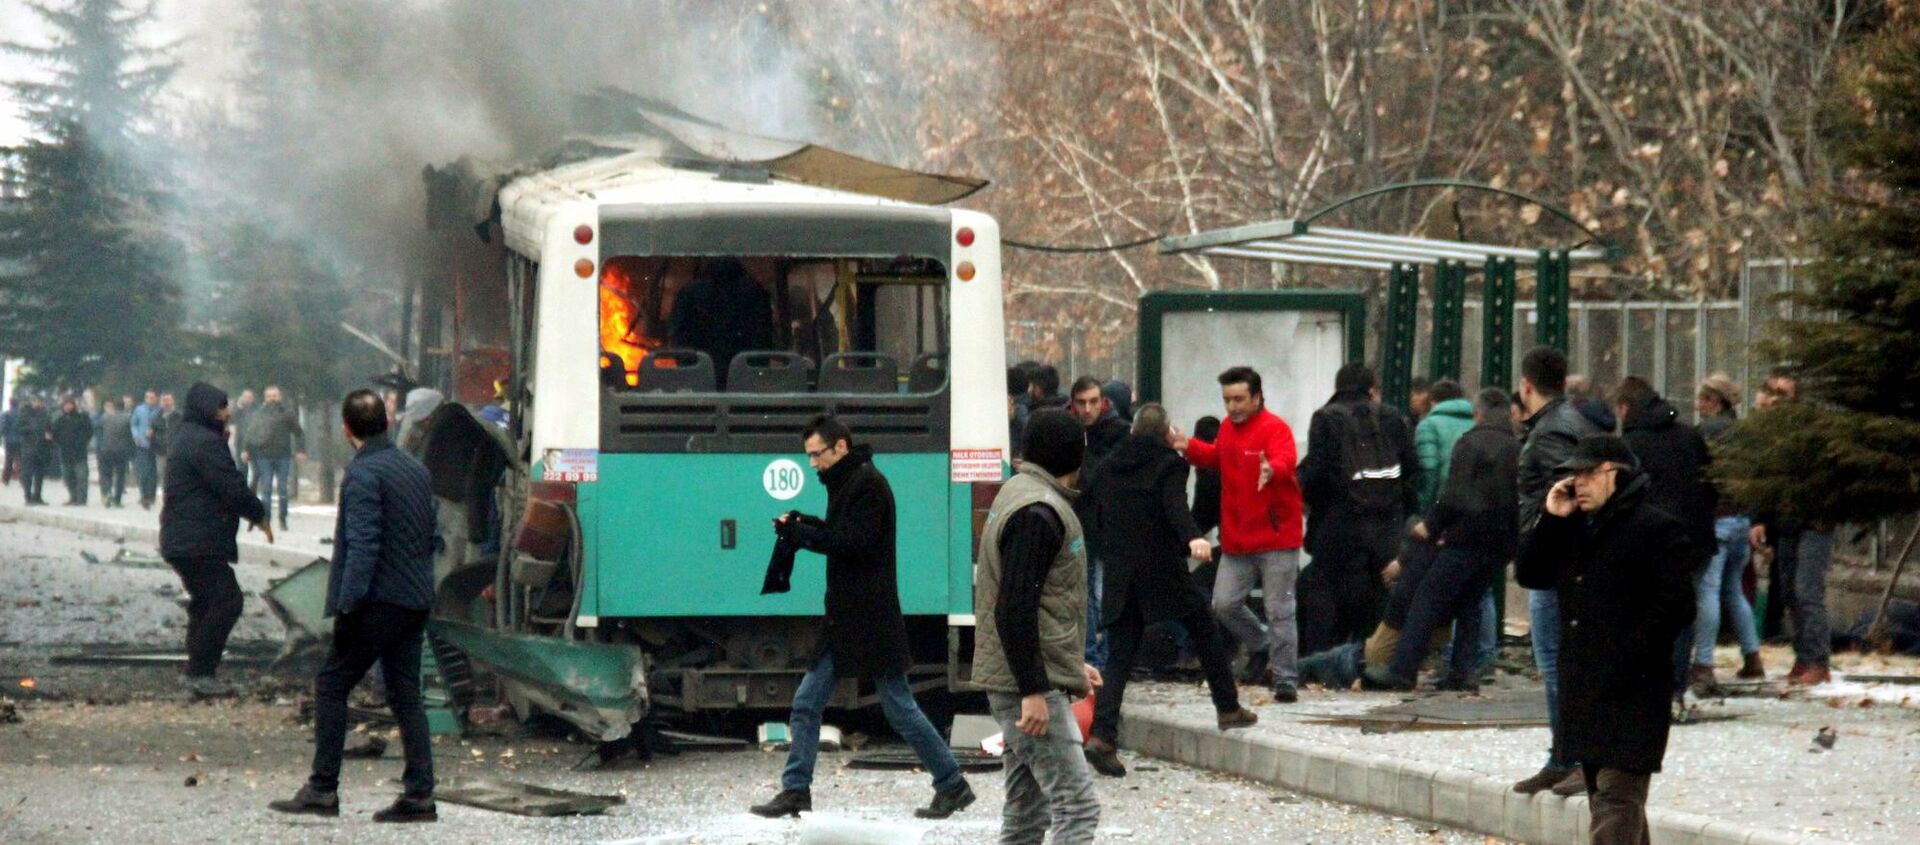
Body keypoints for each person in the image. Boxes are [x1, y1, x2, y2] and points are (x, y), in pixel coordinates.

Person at [750, 415, 974, 820]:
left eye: (817, 454)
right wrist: (803, 524)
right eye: (809, 457)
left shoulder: (867, 485)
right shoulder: (850, 482)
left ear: (840, 447)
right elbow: (842, 533)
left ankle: (953, 783)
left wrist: (803, 534)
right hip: (849, 617)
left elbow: (853, 543)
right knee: (807, 703)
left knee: (898, 707)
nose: (813, 464)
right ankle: (796, 790)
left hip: (869, 618)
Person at [269, 389, 440, 823]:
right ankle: (420, 796)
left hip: (377, 601)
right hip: (415, 598)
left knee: (331, 683)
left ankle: (322, 789)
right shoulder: (415, 469)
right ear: (386, 421)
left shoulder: (363, 475)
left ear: (346, 430)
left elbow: (363, 546)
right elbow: (432, 536)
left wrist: (347, 608)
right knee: (407, 696)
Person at [1516, 435, 1695, 845]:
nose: (1577, 483)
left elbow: (1678, 606)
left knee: (1616, 795)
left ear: (1615, 473)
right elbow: (1531, 573)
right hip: (1586, 687)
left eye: (1587, 473)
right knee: (1608, 797)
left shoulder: (1655, 527)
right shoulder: (1575, 526)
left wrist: (1631, 654)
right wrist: (1551, 517)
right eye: (1572, 475)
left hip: (1634, 687)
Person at [1079, 403, 1257, 777]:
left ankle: (1102, 736)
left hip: (1120, 572)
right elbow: (1175, 506)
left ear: (1132, 432)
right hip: (1162, 569)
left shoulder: (1109, 465)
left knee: (1120, 656)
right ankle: (1227, 707)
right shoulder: (1169, 464)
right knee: (1204, 628)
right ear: (1165, 434)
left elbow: (1089, 509)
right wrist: (1193, 537)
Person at [971, 408, 1102, 844]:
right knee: (1076, 807)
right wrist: (1032, 689)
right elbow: (1014, 609)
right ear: (1075, 456)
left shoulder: (1020, 494)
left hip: (1028, 677)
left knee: (1027, 813)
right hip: (1026, 686)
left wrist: (1069, 665)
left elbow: (1041, 606)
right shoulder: (1039, 512)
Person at [1367, 388, 1519, 691]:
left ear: (1479, 413)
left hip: (1465, 537)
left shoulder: (1471, 442)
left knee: (1427, 598)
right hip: (1500, 542)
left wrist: (1432, 526)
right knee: (1470, 604)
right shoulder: (1516, 445)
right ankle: (1463, 673)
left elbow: (1455, 493)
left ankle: (1402, 670)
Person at [1176, 366, 1304, 702]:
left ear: (1257, 397)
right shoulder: (1228, 431)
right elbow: (1216, 456)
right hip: (1238, 539)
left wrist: (1271, 469)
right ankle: (1263, 644)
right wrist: (1186, 446)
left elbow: (1286, 460)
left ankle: (1285, 678)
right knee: (1223, 604)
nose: (1232, 407)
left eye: (1239, 399)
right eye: (1227, 400)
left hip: (1276, 538)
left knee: (1280, 609)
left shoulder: (1275, 428)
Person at [1511, 346, 1603, 797]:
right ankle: (1564, 756)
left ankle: (1570, 757)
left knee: (1556, 663)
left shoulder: (1550, 434)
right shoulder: (1571, 423)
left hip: (1554, 562)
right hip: (1561, 560)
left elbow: (1566, 498)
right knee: (1559, 661)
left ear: (1527, 385)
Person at [1297, 363, 1418, 657]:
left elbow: (1316, 472)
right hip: (1386, 526)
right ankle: (1373, 662)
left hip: (1338, 525)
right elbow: (1411, 470)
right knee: (1378, 597)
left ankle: (1321, 661)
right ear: (1371, 388)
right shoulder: (1392, 417)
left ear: (1337, 388)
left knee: (1324, 592)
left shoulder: (1326, 418)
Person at [159, 383, 271, 697]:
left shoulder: (188, 435)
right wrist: (258, 513)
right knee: (226, 600)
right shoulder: (204, 442)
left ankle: (197, 670)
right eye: (221, 407)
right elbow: (230, 485)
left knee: (205, 602)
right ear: (207, 409)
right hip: (197, 539)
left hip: (185, 537)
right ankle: (199, 673)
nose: (227, 412)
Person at [1612, 376, 1716, 705]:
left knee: (1644, 614)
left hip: (1650, 543)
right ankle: (1675, 689)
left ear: (1625, 407)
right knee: (1681, 613)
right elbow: (1710, 486)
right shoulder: (1690, 435)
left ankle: (1649, 689)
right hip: (1695, 541)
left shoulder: (1630, 445)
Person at [1748, 371, 1832, 686]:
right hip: (1787, 523)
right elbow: (1765, 480)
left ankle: (1818, 661)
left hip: (1812, 521)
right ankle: (1803, 656)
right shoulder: (1771, 439)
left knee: (1806, 590)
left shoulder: (1811, 434)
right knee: (1789, 593)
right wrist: (1759, 519)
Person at [1690, 374, 1764, 684]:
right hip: (1741, 520)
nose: (1698, 406)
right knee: (1734, 591)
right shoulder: (1747, 433)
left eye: (1703, 400)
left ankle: (1704, 663)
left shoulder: (1703, 433)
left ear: (1715, 402)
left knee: (1707, 590)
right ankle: (1752, 656)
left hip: (1717, 519)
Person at [1069, 375, 1128, 669]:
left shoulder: (1117, 432)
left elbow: (1097, 475)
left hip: (1108, 523)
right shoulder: (1072, 430)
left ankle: (1097, 657)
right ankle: (1094, 657)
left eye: (1093, 402)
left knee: (1099, 593)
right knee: (1090, 591)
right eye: (1081, 403)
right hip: (1084, 521)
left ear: (1103, 402)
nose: (1087, 409)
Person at [243, 385, 306, 532]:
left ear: (280, 397)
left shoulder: (287, 414)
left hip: (283, 456)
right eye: (269, 396)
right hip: (263, 456)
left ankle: (283, 519)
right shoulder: (259, 414)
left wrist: (301, 450)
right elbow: (250, 433)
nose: (272, 399)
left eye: (275, 396)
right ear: (265, 398)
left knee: (283, 489)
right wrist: (246, 450)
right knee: (266, 489)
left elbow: (299, 433)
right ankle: (266, 519)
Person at [1413, 378, 1472, 512]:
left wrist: (1423, 509)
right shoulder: (1477, 424)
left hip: (1441, 507)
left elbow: (1429, 470)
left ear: (1433, 401)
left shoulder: (1428, 426)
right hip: (1471, 507)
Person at [52, 397, 93, 506]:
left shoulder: (82, 418)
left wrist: (82, 442)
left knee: (81, 476)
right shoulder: (60, 420)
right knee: (68, 476)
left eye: (70, 404)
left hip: (80, 453)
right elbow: (54, 433)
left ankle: (81, 499)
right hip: (65, 452)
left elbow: (89, 431)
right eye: (66, 404)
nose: (68, 407)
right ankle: (73, 497)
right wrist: (60, 442)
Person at [16, 395, 53, 506]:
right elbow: (18, 428)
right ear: (32, 402)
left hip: (42, 447)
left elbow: (49, 426)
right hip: (29, 447)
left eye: (40, 402)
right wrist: (32, 428)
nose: (38, 404)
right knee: (27, 473)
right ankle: (28, 496)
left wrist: (49, 434)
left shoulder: (44, 413)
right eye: (36, 401)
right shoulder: (25, 413)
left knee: (40, 473)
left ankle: (38, 496)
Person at [96, 399, 134, 508]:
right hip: (121, 451)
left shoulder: (104, 418)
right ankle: (117, 499)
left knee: (105, 474)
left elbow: (98, 431)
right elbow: (130, 435)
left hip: (106, 450)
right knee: (120, 475)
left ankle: (107, 493)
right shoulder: (128, 418)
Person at [131, 389, 161, 509]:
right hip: (142, 444)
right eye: (147, 397)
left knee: (153, 473)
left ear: (156, 398)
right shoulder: (139, 409)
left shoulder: (159, 410)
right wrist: (136, 436)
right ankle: (144, 495)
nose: (149, 399)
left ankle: (151, 496)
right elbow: (134, 424)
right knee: (143, 472)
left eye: (152, 397)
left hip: (156, 445)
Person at [230, 388, 258, 480]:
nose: (247, 399)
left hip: (255, 443)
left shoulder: (257, 410)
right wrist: (238, 405)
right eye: (245, 397)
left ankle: (253, 490)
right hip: (240, 442)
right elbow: (231, 418)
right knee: (242, 469)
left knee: (256, 470)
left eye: (249, 397)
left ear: (253, 399)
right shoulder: (238, 410)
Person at [1, 395, 20, 485]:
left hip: (9, 440)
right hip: (20, 440)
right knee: (19, 459)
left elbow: (3, 427)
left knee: (9, 460)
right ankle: (19, 477)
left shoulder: (6, 414)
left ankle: (6, 479)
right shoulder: (22, 414)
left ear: (10, 404)